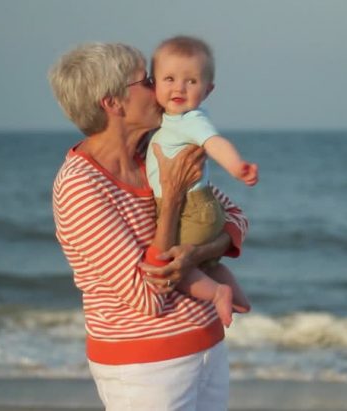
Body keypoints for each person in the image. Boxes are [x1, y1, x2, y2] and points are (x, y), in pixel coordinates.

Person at [49, 42, 248, 410]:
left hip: (207, 347)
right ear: (112, 103)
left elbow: (234, 216)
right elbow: (148, 296)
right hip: (144, 367)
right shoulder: (80, 186)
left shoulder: (153, 154)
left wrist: (200, 252)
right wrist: (170, 200)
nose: (160, 86)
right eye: (145, 80)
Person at [145, 35, 256, 327]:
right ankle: (239, 299)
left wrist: (236, 167)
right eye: (169, 78)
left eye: (191, 81)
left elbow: (214, 142)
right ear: (152, 83)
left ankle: (218, 293)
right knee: (210, 262)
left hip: (190, 209)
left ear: (208, 90)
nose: (179, 87)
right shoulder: (170, 119)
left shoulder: (191, 120)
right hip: (201, 207)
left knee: (174, 266)